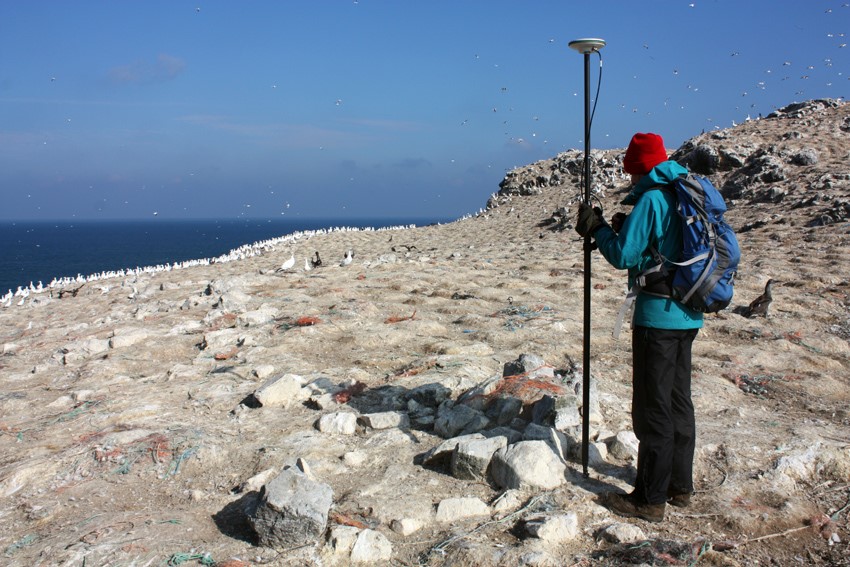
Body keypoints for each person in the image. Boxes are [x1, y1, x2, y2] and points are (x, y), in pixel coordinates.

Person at [574, 132, 704, 523]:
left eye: (631, 171)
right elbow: (659, 247)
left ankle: (649, 498)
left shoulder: (651, 198)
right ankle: (679, 486)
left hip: (657, 318)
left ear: (639, 168)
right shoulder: (684, 193)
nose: (629, 179)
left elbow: (622, 255)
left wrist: (597, 229)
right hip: (689, 313)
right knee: (679, 400)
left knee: (653, 408)